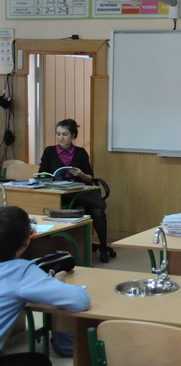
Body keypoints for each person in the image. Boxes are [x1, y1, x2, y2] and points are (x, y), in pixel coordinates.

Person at [0, 206, 90, 366]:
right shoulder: (21, 272)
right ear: (25, 242)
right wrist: (55, 283)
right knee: (39, 361)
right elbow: (80, 300)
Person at [39, 119, 115, 263]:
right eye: (58, 134)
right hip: (61, 193)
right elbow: (42, 174)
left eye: (65, 134)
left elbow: (90, 177)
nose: (61, 138)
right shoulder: (49, 151)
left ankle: (104, 247)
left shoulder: (80, 152)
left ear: (73, 135)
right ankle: (75, 246)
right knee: (74, 208)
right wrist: (51, 178)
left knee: (97, 211)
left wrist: (80, 174)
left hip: (81, 190)